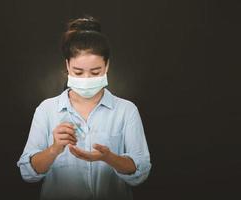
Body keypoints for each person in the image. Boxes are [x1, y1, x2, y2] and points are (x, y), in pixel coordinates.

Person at [17, 15, 152, 200]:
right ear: (67, 66)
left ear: (107, 66)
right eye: (78, 72)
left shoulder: (126, 111)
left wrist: (108, 157)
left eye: (95, 72)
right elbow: (27, 173)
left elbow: (141, 172)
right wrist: (54, 149)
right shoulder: (46, 110)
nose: (87, 79)